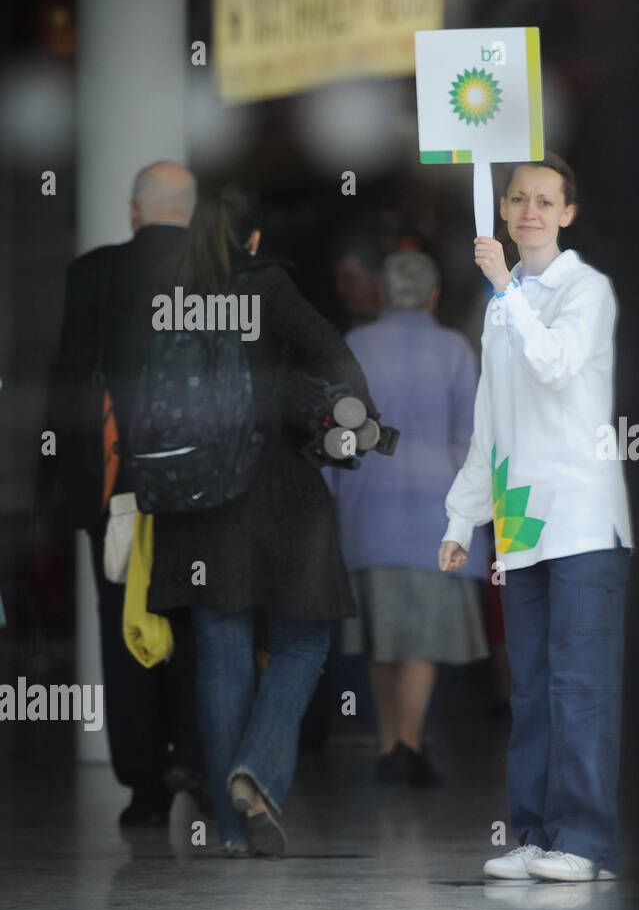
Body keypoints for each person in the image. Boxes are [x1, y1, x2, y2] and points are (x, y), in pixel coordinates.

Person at [143, 183, 376, 857]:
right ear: (252, 239)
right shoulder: (267, 286)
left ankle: (232, 830)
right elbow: (335, 356)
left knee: (221, 656)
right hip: (278, 493)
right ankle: (260, 772)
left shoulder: (169, 298)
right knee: (304, 639)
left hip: (194, 502)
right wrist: (351, 419)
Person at [440, 152, 634, 882]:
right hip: (520, 523)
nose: (530, 212)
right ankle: (534, 834)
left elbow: (555, 365)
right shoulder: (503, 302)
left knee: (577, 686)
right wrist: (461, 522)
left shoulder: (586, 290)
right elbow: (489, 423)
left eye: (545, 202)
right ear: (503, 209)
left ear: (568, 213)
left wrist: (503, 288)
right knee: (530, 691)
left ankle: (583, 842)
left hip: (584, 516)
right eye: (518, 199)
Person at [45, 160, 205, 827]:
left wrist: (60, 491)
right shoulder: (219, 272)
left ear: (134, 212)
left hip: (113, 491)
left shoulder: (91, 274)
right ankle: (197, 760)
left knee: (125, 633)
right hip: (203, 494)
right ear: (189, 213)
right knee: (200, 635)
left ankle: (143, 787)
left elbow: (67, 391)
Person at [324, 251, 489, 786]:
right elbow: (470, 437)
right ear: (434, 296)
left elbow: (335, 437)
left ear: (383, 292)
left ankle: (388, 742)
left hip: (367, 515)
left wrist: (334, 498)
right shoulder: (455, 349)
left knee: (380, 637)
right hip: (433, 517)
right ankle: (410, 746)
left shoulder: (354, 346)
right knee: (421, 638)